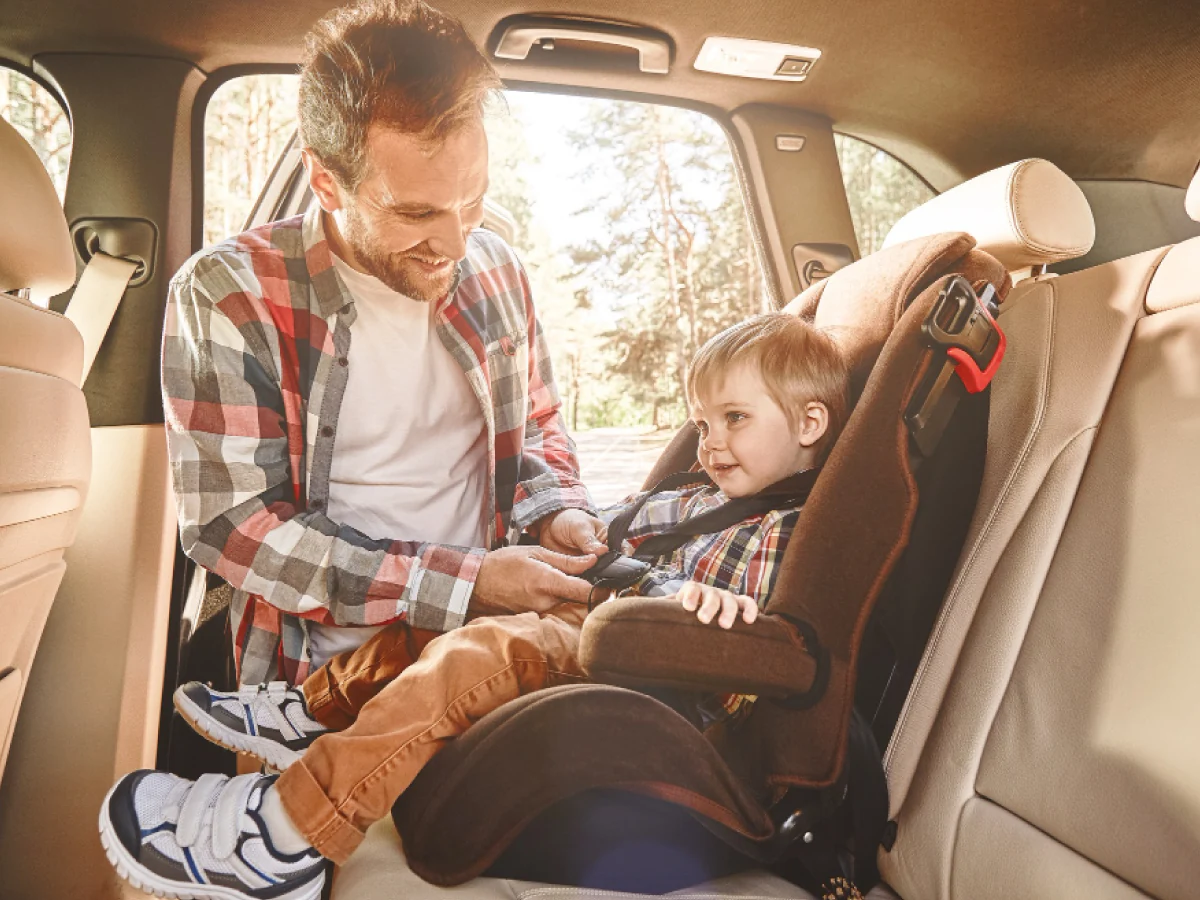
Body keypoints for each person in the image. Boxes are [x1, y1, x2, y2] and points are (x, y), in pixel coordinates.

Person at [100, 314, 850, 900]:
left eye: (736, 419)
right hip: (600, 622)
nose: (711, 442)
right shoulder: (699, 497)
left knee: (481, 651)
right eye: (704, 422)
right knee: (451, 605)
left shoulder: (786, 533)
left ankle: (291, 834)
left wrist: (699, 604)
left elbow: (750, 633)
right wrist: (585, 532)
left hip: (657, 672)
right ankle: (314, 711)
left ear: (809, 425)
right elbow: (622, 526)